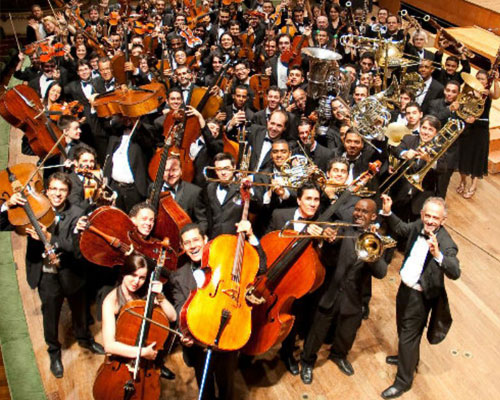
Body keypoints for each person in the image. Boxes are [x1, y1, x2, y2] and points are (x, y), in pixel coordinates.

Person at [4, 172, 104, 378]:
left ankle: (84, 338)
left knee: (79, 310)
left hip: (71, 272)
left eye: (62, 190)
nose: (57, 194)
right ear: (46, 190)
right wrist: (8, 205)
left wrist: (51, 237)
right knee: (50, 315)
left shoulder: (77, 213)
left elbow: (76, 249)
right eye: (54, 189)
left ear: (68, 193)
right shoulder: (31, 207)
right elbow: (3, 224)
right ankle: (54, 352)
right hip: (46, 274)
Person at [380, 195, 460, 399]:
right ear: (422, 214)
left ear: (443, 220)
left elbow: (455, 271)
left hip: (420, 297)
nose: (431, 221)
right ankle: (407, 359)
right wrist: (388, 212)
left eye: (436, 218)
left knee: (408, 336)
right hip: (405, 288)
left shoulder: (446, 243)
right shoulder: (418, 225)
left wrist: (438, 255)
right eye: (428, 216)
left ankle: (403, 382)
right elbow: (401, 230)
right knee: (402, 328)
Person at [171, 223, 264, 399]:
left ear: (205, 240)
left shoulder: (227, 261)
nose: (193, 246)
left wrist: (251, 237)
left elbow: (261, 267)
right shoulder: (179, 276)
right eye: (187, 243)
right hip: (199, 341)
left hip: (228, 332)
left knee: (226, 386)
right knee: (204, 388)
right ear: (183, 247)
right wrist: (184, 331)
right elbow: (178, 307)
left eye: (196, 240)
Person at [300, 199, 388, 384]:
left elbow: (381, 273)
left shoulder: (377, 240)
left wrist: (373, 252)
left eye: (364, 212)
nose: (358, 214)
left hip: (353, 298)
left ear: (373, 216)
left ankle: (339, 355)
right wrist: (328, 240)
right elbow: (328, 258)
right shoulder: (341, 229)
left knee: (347, 333)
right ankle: (307, 361)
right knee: (317, 331)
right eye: (356, 210)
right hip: (331, 292)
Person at [101, 254, 177, 378]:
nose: (136, 282)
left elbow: (173, 317)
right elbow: (109, 346)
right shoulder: (111, 301)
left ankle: (158, 365)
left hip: (145, 354)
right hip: (122, 358)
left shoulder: (143, 293)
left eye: (142, 278)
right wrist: (142, 352)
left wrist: (160, 297)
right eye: (133, 275)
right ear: (124, 273)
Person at [457, 69, 500, 198]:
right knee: (463, 155)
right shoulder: (468, 90)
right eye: (478, 78)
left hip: (481, 128)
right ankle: (463, 180)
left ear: (487, 82)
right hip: (468, 126)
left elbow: (497, 95)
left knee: (478, 157)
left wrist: (496, 81)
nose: (480, 80)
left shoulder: (487, 93)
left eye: (483, 79)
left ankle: (473, 185)